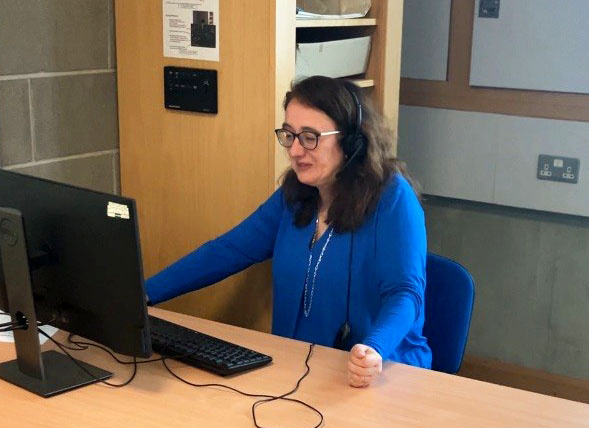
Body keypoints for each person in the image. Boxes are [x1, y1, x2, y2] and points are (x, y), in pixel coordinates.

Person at [145, 76, 431, 387]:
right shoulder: (294, 196)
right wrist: (145, 293)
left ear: (351, 142)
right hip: (297, 368)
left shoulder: (392, 199)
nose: (295, 150)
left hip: (379, 371)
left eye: (310, 137)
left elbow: (405, 294)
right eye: (289, 135)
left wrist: (374, 348)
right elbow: (227, 250)